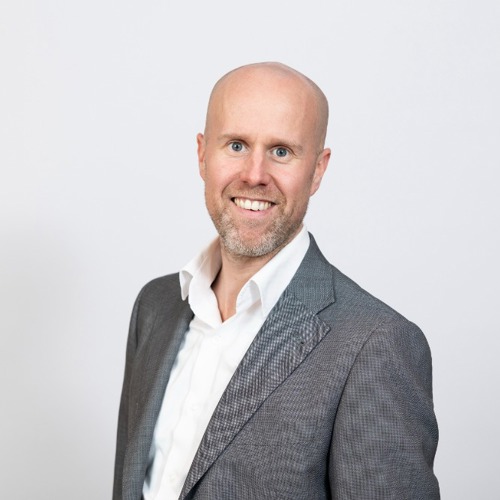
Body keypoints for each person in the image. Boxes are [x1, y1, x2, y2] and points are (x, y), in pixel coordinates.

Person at [113, 62, 439, 500]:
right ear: (202, 154)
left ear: (318, 170)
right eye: (236, 145)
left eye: (281, 151)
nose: (254, 174)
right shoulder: (156, 305)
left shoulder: (374, 345)